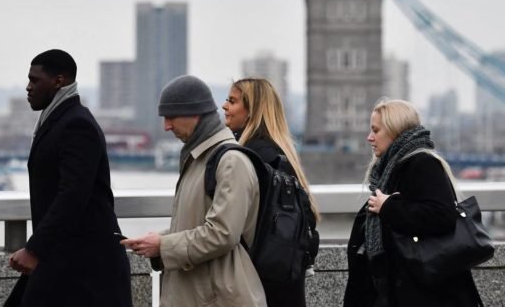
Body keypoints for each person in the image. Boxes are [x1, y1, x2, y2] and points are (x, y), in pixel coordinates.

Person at [121, 75, 267, 307]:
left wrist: (163, 246)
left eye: (171, 117)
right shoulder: (200, 158)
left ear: (196, 114)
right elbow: (198, 224)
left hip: (217, 298)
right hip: (198, 295)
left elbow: (222, 233)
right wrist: (159, 240)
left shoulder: (230, 161)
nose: (166, 126)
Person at [6, 49, 132, 307]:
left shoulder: (76, 125)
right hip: (63, 260)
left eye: (35, 80)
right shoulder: (58, 120)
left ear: (59, 81)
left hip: (85, 267)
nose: (28, 88)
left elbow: (73, 195)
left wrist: (34, 249)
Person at [343, 98, 483, 306]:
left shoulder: (422, 163)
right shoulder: (391, 168)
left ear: (395, 130)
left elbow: (442, 215)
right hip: (398, 290)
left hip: (422, 293)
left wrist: (388, 207)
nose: (369, 138)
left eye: (376, 130)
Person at [222, 77, 320, 307]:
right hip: (282, 281)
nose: (225, 106)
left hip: (263, 284)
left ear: (251, 111)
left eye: (232, 101)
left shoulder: (255, 156)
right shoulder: (275, 152)